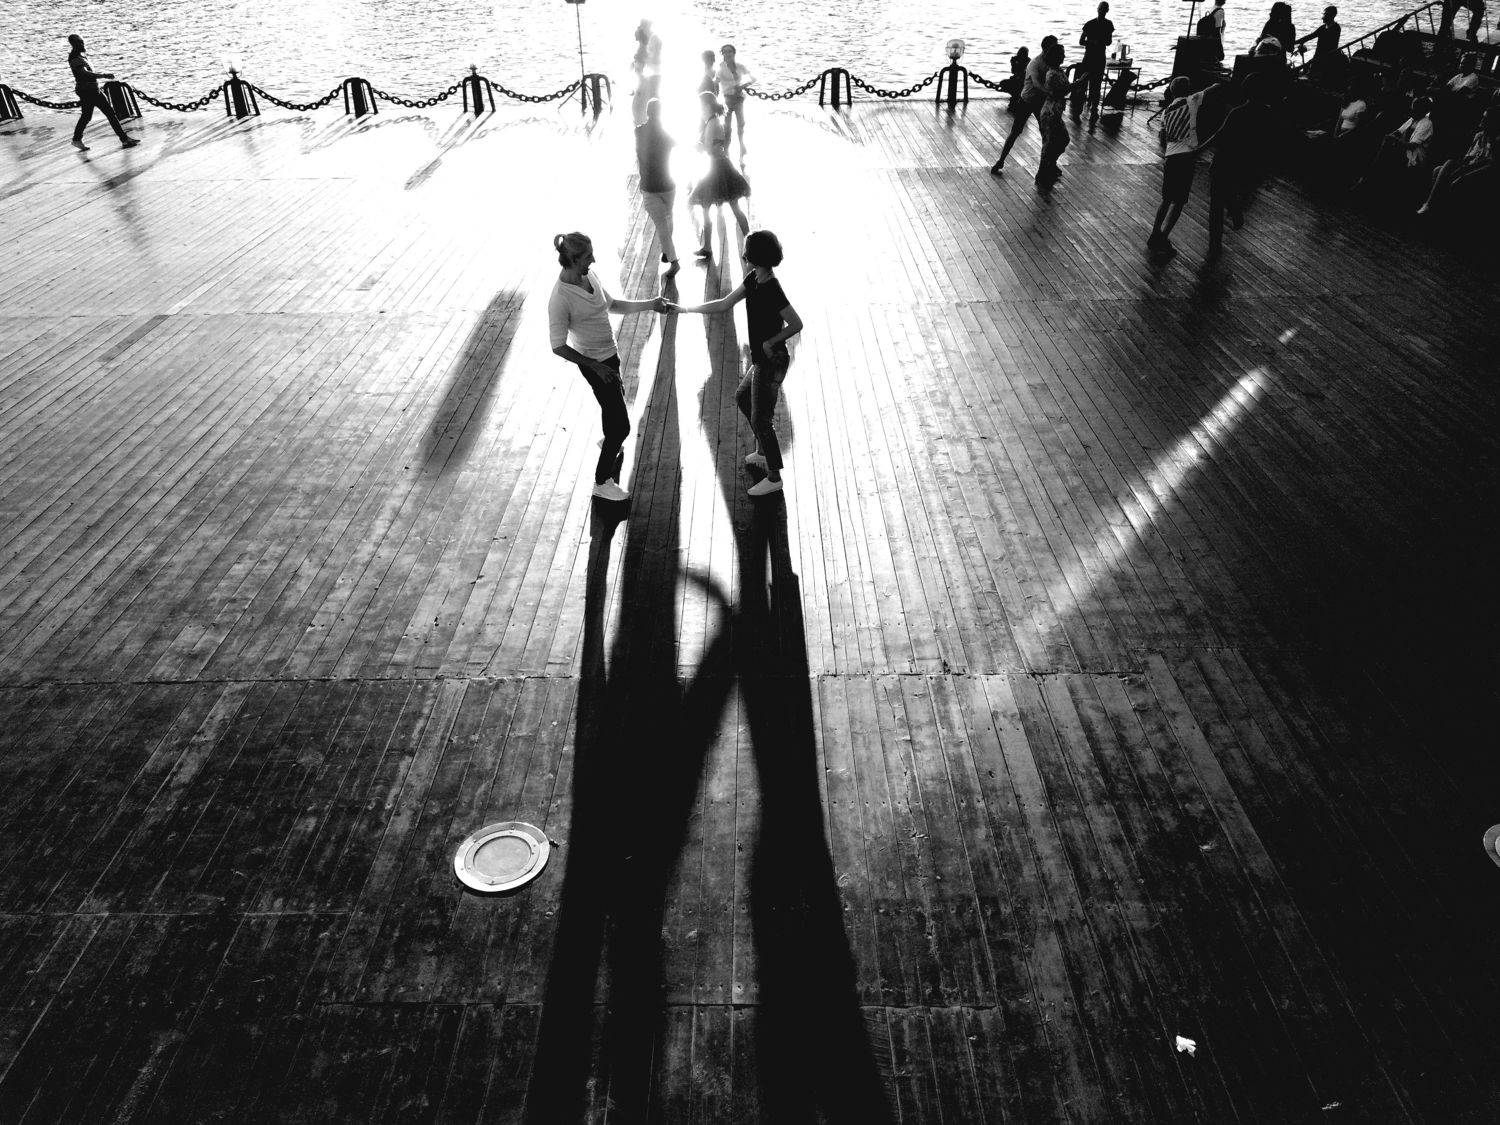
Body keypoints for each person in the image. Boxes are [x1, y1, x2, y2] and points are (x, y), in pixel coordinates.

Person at [671, 230, 803, 497]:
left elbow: (796, 323)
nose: (743, 253)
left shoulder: (772, 288)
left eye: (746, 249)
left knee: (762, 419)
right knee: (743, 397)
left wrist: (771, 341)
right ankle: (763, 451)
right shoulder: (754, 279)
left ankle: (774, 476)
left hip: (772, 361)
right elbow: (724, 304)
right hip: (761, 360)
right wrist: (685, 309)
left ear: (755, 256)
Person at [548, 232, 671, 502]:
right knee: (622, 427)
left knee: (612, 405)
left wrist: (651, 304)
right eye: (587, 256)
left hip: (609, 356)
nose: (593, 259)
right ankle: (602, 481)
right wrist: (595, 366)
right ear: (572, 259)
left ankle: (609, 441)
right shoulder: (560, 298)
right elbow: (558, 346)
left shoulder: (589, 277)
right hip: (596, 364)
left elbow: (612, 305)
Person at [689, 92, 751, 258]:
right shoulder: (713, 121)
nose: (700, 109)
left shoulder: (712, 123)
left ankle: (709, 247)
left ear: (707, 105)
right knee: (728, 206)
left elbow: (711, 149)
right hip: (719, 166)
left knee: (709, 206)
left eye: (701, 105)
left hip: (717, 168)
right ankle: (711, 246)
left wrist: (700, 147)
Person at [1148, 78, 1205, 250]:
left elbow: (1163, 137)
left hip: (1171, 158)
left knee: (1166, 200)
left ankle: (1155, 233)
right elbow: (1213, 89)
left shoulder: (1166, 112)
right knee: (1179, 202)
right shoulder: (1192, 101)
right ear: (1188, 90)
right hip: (1186, 157)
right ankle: (1164, 237)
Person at [991, 35, 1057, 174]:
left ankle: (1050, 163)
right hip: (1026, 101)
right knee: (1015, 132)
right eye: (1054, 46)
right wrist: (1051, 93)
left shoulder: (1051, 63)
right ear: (1046, 48)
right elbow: (1036, 83)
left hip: (1040, 102)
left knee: (1046, 133)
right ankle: (1001, 160)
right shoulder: (1035, 63)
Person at [66, 34, 138, 151]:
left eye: (82, 41)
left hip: (93, 89)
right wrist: (103, 75)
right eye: (79, 42)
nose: (82, 44)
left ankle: (77, 139)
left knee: (88, 116)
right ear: (74, 44)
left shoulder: (80, 56)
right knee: (108, 114)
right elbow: (84, 73)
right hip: (88, 91)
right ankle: (124, 139)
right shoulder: (74, 58)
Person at [635, 99, 679, 278]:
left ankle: (674, 261)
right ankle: (667, 253)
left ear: (648, 112)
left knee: (662, 226)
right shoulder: (666, 134)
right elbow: (675, 143)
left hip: (650, 186)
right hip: (668, 184)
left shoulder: (639, 131)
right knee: (668, 219)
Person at [1035, 41, 1077, 183]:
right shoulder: (1052, 74)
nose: (1064, 56)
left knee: (1061, 140)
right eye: (1062, 54)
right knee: (1050, 143)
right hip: (1050, 112)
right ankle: (1043, 172)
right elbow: (1059, 92)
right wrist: (1078, 83)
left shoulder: (1058, 71)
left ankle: (1050, 165)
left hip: (1055, 111)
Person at [1075, 2, 1115, 121]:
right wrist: (1094, 42)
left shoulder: (1096, 24)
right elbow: (1081, 41)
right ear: (1098, 9)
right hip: (1093, 57)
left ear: (1106, 10)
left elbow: (1108, 42)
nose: (1102, 11)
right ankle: (1085, 109)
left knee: (1094, 85)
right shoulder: (1099, 24)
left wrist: (1094, 42)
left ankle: (1092, 109)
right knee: (1088, 84)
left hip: (1094, 57)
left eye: (1104, 9)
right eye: (1101, 9)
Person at [716, 44, 754, 151]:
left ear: (734, 53)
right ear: (722, 54)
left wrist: (743, 86)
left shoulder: (740, 66)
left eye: (730, 51)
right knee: (727, 126)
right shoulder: (721, 68)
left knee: (741, 123)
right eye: (725, 52)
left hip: (739, 98)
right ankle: (726, 146)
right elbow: (716, 81)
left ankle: (741, 144)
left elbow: (753, 78)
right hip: (727, 99)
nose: (727, 54)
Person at [1295, 7, 1342, 84]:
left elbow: (1331, 44)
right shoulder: (1323, 27)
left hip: (1327, 56)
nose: (1323, 17)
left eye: (1325, 14)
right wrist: (1296, 42)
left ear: (1332, 15)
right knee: (1308, 68)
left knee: (1311, 72)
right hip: (1318, 55)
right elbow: (1310, 36)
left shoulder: (1336, 28)